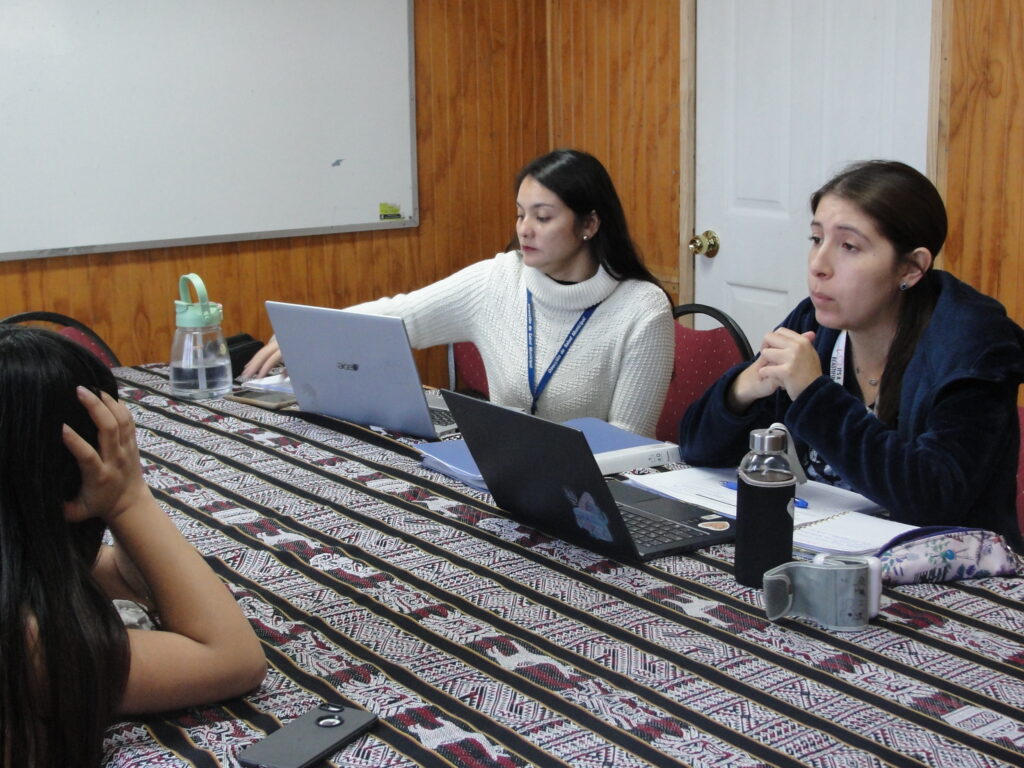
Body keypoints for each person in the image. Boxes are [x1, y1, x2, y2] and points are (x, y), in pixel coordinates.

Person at [679, 160, 1024, 549]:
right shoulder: (817, 321)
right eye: (816, 239)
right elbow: (695, 446)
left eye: (849, 246)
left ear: (911, 268)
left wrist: (813, 394)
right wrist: (744, 387)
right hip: (830, 546)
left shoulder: (973, 345)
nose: (818, 265)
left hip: (953, 572)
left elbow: (933, 497)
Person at [242, 149, 675, 437]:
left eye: (543, 217)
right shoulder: (499, 279)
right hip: (500, 471)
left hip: (587, 492)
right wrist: (312, 334)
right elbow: (401, 317)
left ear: (589, 225)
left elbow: (628, 449)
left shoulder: (640, 309)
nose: (524, 229)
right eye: (521, 214)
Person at [0, 327, 266, 767]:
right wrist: (128, 499)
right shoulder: (28, 642)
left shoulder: (22, 568)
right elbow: (233, 659)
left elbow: (129, 581)